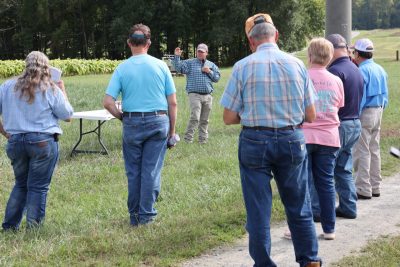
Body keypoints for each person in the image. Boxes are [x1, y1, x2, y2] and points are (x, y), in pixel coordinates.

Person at [220, 13, 321, 267]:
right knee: (299, 205)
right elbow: (311, 115)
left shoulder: (242, 66)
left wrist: (254, 113)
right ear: (276, 36)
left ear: (251, 42)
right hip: (291, 138)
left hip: (254, 140)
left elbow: (229, 117)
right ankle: (310, 261)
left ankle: (264, 263)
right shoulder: (297, 64)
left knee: (258, 210)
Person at [103, 23, 177, 226]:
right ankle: (147, 215)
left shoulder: (122, 68)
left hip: (132, 122)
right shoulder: (161, 66)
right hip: (158, 120)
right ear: (149, 43)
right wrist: (172, 132)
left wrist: (121, 117)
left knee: (134, 172)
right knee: (151, 170)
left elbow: (108, 102)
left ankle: (134, 216)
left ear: (129, 43)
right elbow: (173, 102)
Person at [0, 51, 73, 230]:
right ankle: (34, 228)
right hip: (42, 142)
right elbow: (67, 115)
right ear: (46, 67)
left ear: (26, 65)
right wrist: (62, 90)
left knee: (21, 184)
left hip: (16, 142)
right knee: (38, 187)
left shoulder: (7, 86)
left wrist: (6, 133)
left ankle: (10, 226)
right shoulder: (50, 88)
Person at [302, 37, 344, 240]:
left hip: (305, 135)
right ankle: (329, 229)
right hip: (329, 136)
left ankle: (300, 228)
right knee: (326, 183)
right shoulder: (336, 80)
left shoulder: (302, 77)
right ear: (329, 58)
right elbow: (339, 105)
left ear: (310, 55)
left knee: (303, 183)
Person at [326, 34, 364, 219]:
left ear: (332, 49)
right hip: (355, 123)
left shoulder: (334, 71)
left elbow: (330, 103)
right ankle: (349, 207)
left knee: (326, 169)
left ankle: (321, 211)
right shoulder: (355, 68)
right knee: (343, 168)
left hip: (340, 125)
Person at [352, 38, 389, 199]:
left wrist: (355, 115)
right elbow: (385, 95)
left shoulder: (361, 71)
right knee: (374, 149)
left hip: (365, 112)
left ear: (358, 54)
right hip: (379, 110)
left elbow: (360, 97)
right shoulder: (380, 69)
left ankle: (363, 188)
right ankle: (375, 186)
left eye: (354, 52)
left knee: (362, 150)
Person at [172, 43, 220, 144]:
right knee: (195, 117)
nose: (200, 53)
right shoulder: (190, 62)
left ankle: (203, 140)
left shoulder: (211, 65)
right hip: (194, 94)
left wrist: (209, 72)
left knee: (205, 119)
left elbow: (217, 78)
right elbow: (178, 68)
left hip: (208, 96)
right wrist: (177, 56)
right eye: (198, 51)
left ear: (206, 53)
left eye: (202, 52)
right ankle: (188, 139)